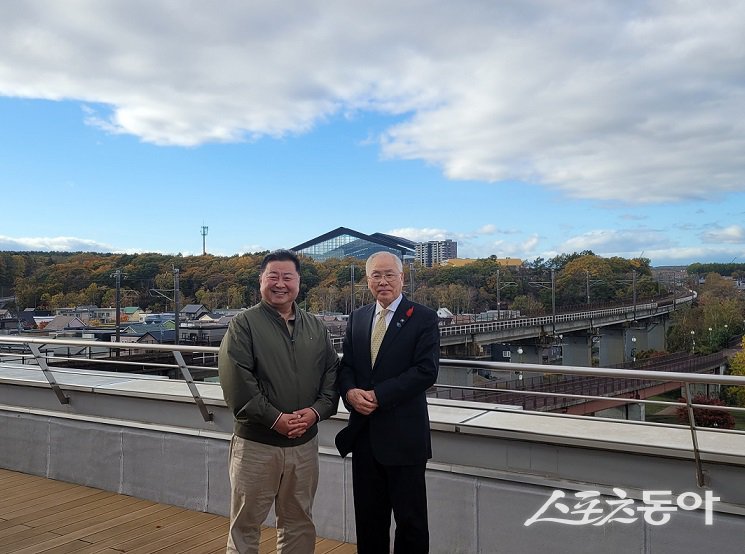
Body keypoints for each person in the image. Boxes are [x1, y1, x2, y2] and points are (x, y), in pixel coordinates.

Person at [218, 249, 339, 554]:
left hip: (304, 447)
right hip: (257, 446)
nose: (280, 283)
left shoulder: (315, 326)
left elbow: (331, 375)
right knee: (245, 526)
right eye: (273, 276)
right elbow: (237, 382)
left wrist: (315, 413)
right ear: (261, 281)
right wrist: (276, 419)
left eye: (288, 277)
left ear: (299, 282)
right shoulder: (244, 324)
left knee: (299, 523)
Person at [335, 251, 440, 553]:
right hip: (365, 437)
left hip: (405, 440)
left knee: (411, 524)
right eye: (375, 276)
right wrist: (350, 393)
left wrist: (380, 396)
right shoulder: (358, 318)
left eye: (389, 274)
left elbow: (426, 371)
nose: (383, 282)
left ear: (402, 278)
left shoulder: (423, 317)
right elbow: (348, 368)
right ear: (367, 281)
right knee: (369, 524)